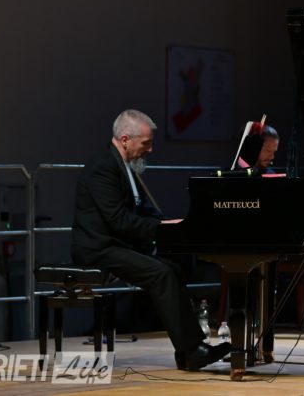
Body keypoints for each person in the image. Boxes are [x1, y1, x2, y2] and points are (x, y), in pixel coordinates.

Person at [70, 109, 231, 371]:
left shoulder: (124, 166)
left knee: (173, 269)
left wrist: (170, 223)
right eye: (146, 143)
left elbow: (141, 208)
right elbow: (118, 220)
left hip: (115, 246)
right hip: (98, 249)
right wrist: (158, 228)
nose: (151, 149)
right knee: (161, 274)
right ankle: (192, 350)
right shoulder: (103, 168)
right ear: (125, 139)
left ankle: (188, 351)